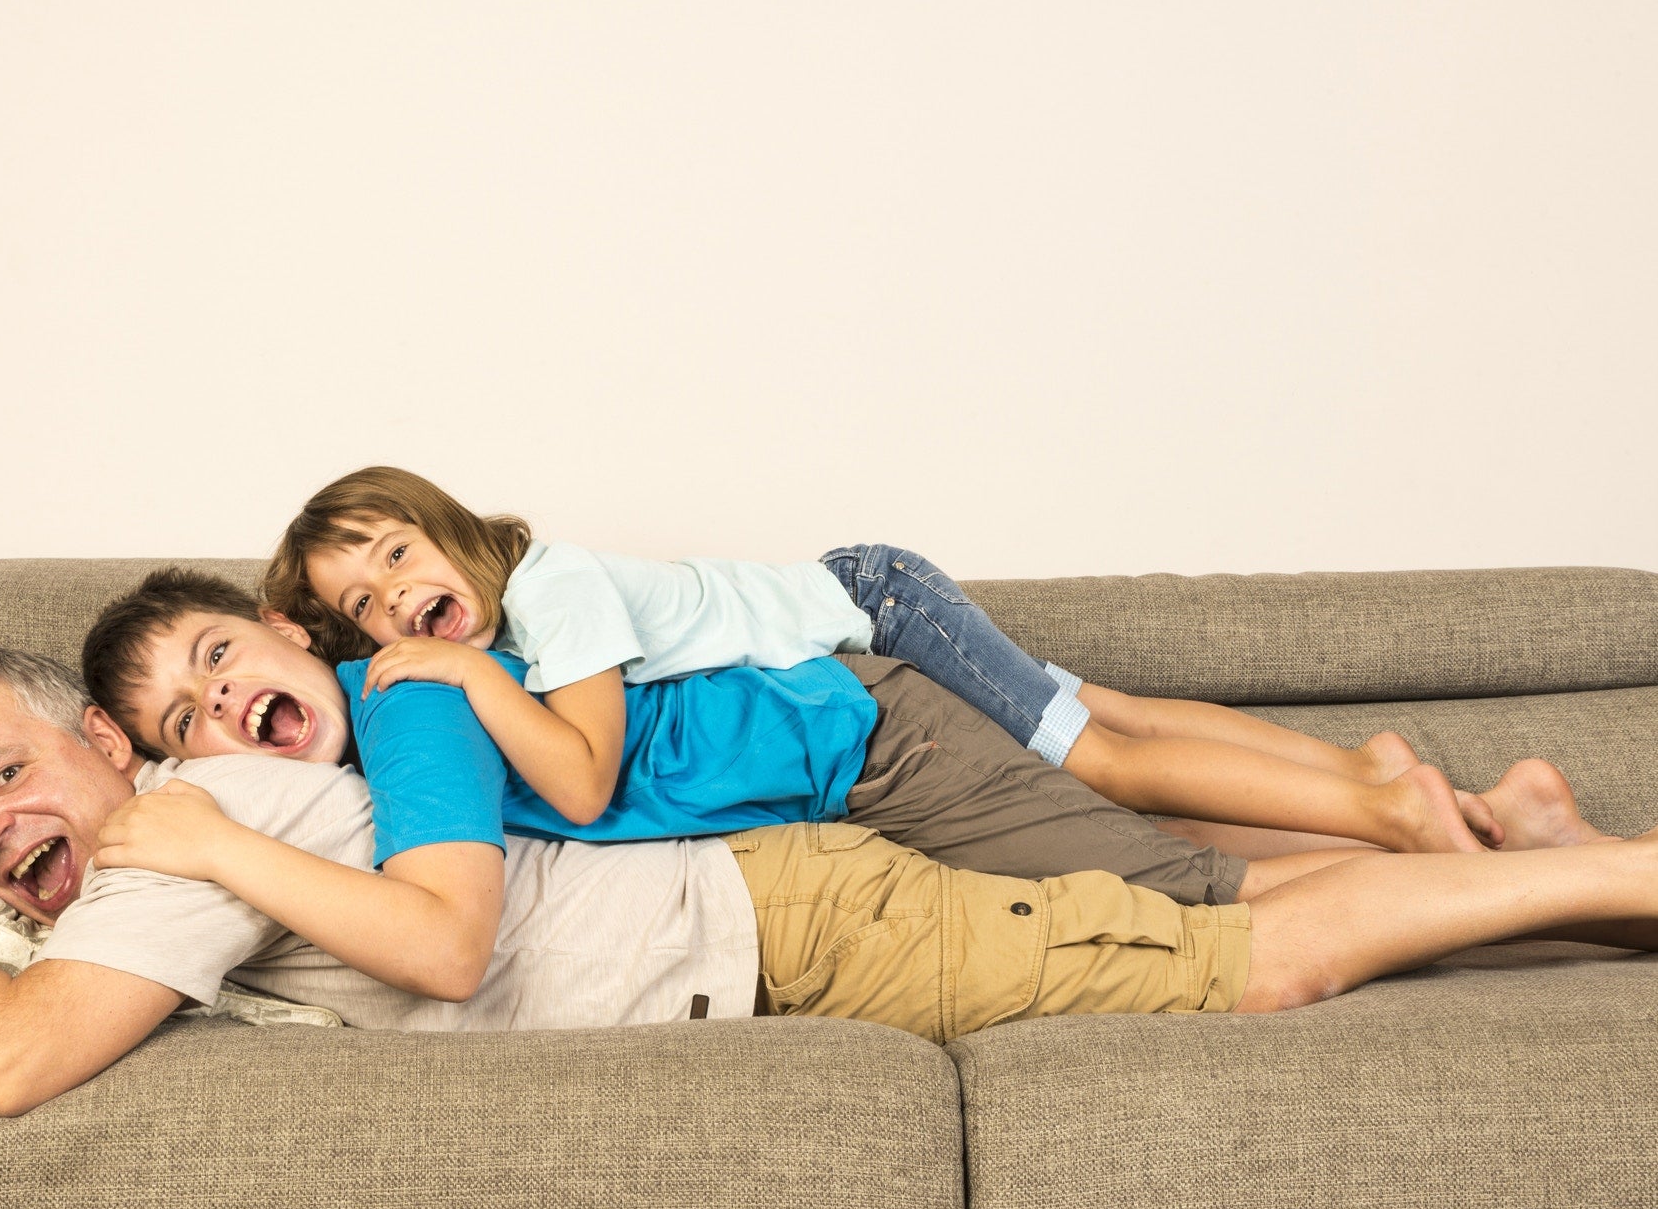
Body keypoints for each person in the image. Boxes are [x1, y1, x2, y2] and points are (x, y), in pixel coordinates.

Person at [0, 648, 1656, 1120]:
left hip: (793, 915)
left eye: (6, 776)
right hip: (772, 904)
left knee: (1249, 956)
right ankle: (1560, 867)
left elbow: (11, 1061)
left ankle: (1622, 871)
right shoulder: (169, 827)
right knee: (1192, 908)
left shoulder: (172, 830)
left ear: (106, 746)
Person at [83, 569, 1604, 924]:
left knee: (1179, 898)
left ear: (282, 628)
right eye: (183, 725)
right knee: (1140, 801)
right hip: (844, 734)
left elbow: (474, 899)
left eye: (221, 658)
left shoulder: (415, 691)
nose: (221, 710)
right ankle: (1489, 819)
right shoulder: (377, 721)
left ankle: (1486, 855)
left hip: (863, 740)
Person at [257, 466, 1500, 854]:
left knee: (1100, 761)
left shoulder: (549, 590)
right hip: (868, 589)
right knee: (1102, 706)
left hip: (878, 609)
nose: (395, 599)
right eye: (363, 605)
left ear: (447, 526)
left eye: (398, 553)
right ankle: (1368, 766)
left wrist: (474, 680)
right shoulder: (522, 620)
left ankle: (1388, 814)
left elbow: (581, 783)